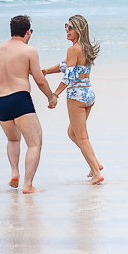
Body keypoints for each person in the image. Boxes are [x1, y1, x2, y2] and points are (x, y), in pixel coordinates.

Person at [0, 15, 58, 193]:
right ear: (28, 32)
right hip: (19, 98)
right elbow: (40, 80)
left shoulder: (0, 49)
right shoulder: (29, 51)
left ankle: (14, 172)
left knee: (13, 139)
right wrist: (51, 97)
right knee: (34, 143)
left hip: (0, 100)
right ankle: (28, 185)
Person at [44, 14, 103, 185]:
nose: (66, 30)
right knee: (72, 133)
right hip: (88, 93)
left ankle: (96, 172)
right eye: (66, 26)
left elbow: (69, 77)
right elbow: (64, 66)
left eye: (70, 27)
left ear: (79, 30)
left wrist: (55, 95)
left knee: (82, 137)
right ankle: (95, 163)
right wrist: (46, 71)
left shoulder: (73, 50)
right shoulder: (85, 47)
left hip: (76, 95)